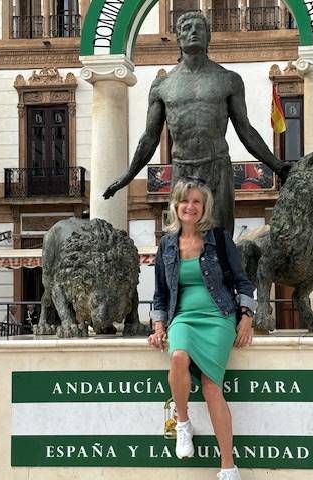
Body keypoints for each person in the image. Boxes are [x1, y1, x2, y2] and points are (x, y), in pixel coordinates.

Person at [103, 11, 289, 234]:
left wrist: (277, 166)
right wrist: (128, 177)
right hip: (182, 169)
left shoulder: (228, 80)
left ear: (208, 36)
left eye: (199, 27)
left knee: (220, 240)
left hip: (217, 167)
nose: (193, 32)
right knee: (182, 239)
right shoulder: (162, 85)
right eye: (187, 28)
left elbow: (246, 131)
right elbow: (150, 138)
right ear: (178, 38)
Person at [148, 177, 255, 480]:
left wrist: (246, 318)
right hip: (182, 316)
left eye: (197, 201)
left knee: (211, 387)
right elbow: (160, 292)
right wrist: (158, 325)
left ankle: (228, 466)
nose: (190, 206)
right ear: (176, 205)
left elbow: (243, 282)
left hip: (219, 317)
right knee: (178, 356)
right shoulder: (167, 244)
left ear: (205, 206)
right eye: (185, 200)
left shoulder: (219, 239)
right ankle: (183, 424)